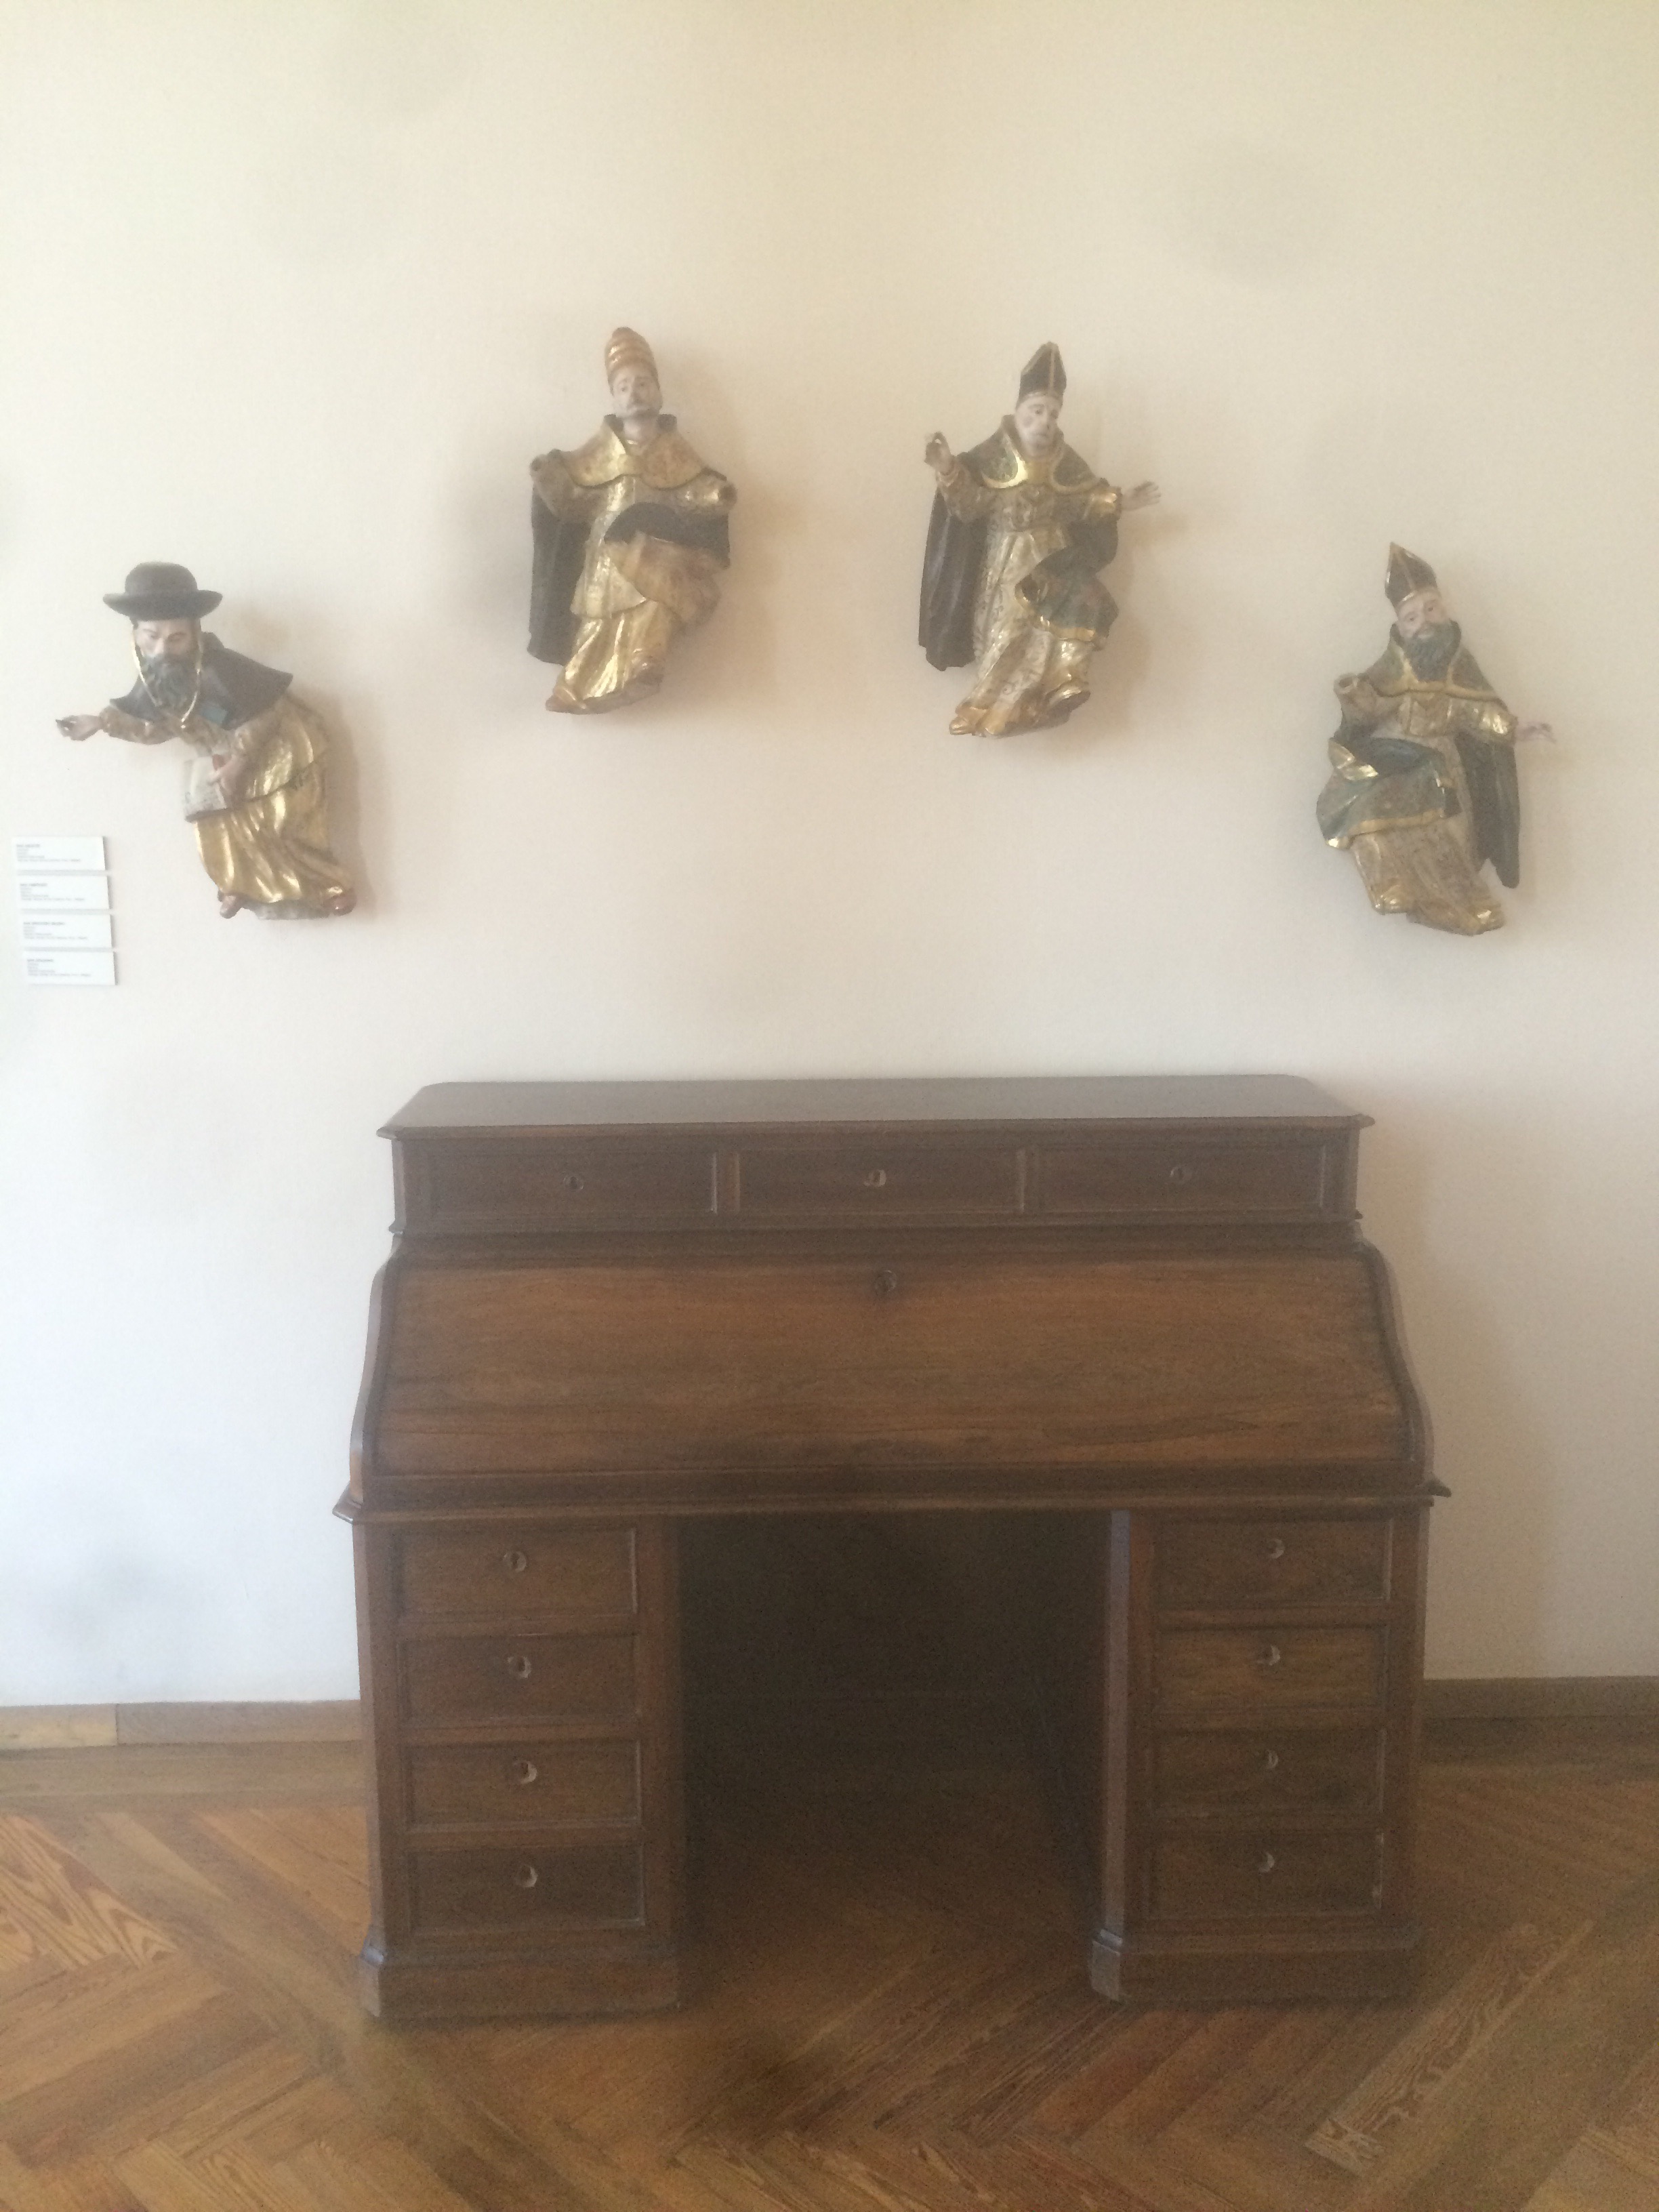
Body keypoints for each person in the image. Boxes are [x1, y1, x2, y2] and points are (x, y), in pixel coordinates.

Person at [57, 564, 354, 920]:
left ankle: (328, 886)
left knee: (282, 822)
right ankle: (238, 884)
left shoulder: (220, 668)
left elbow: (265, 715)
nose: (162, 650)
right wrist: (100, 722)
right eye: (151, 637)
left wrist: (240, 762)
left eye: (176, 638)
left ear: (195, 634)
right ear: (135, 633)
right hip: (224, 754)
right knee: (213, 815)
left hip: (280, 749)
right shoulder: (157, 678)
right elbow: (157, 727)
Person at [919, 343, 1159, 735]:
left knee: (1082, 604)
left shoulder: (1067, 463)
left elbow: (1082, 504)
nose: (1045, 421)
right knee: (1008, 630)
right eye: (1036, 410)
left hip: (1054, 559)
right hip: (1007, 559)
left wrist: (1120, 501)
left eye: (1053, 413)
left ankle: (1063, 683)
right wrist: (947, 468)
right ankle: (982, 708)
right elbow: (969, 505)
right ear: (1018, 411)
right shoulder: (990, 458)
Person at [1317, 546, 1543, 935]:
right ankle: (1391, 887)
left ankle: (1470, 904)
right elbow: (1370, 709)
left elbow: (1477, 712)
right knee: (1362, 807)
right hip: (1399, 759)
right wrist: (1353, 693)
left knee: (1448, 832)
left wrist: (1513, 729)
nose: (1423, 622)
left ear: (1445, 609)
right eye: (1411, 617)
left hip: (1442, 763)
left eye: (1431, 609)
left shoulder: (1460, 667)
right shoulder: (1391, 669)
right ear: (1400, 627)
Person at [529, 328, 736, 714]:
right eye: (623, 387)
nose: (634, 393)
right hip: (607, 551)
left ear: (658, 392)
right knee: (598, 621)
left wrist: (715, 495)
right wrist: (549, 479)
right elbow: (575, 501)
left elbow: (691, 490)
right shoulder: (598, 454)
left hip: (652, 547)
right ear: (614, 398)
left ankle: (646, 664)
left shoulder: (675, 453)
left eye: (642, 383)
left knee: (656, 603)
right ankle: (574, 686)